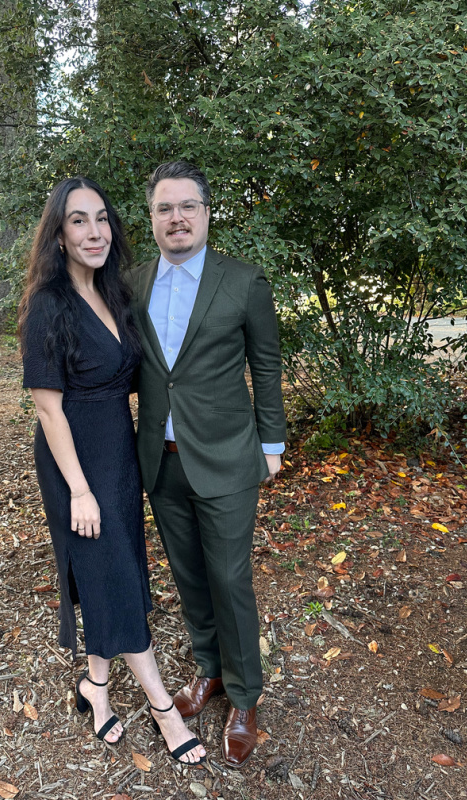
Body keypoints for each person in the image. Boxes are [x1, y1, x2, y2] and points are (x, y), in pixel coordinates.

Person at [18, 177, 205, 764]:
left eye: (101, 218)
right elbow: (48, 406)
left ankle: (95, 686)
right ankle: (162, 708)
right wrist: (79, 490)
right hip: (75, 460)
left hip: (118, 453)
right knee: (115, 575)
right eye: (78, 221)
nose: (94, 231)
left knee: (114, 570)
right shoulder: (48, 305)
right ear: (59, 234)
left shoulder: (114, 292)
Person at [129, 161, 287, 769]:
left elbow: (266, 367)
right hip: (161, 461)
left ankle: (245, 696)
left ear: (206, 211)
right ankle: (210, 672)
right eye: (165, 209)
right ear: (152, 218)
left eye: (187, 206)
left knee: (228, 580)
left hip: (226, 458)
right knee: (191, 579)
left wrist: (271, 446)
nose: (177, 218)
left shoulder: (243, 282)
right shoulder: (134, 283)